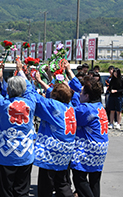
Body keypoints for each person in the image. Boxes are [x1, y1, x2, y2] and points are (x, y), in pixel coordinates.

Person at [0, 60, 36, 197]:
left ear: (8, 90)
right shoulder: (31, 102)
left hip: (5, 153)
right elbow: (30, 89)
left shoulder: (3, 105)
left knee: (6, 191)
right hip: (25, 153)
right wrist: (21, 71)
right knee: (22, 191)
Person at [65, 63, 109, 197]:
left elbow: (68, 112)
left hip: (89, 148)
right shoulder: (98, 105)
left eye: (82, 93)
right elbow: (79, 89)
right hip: (101, 147)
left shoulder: (86, 110)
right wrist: (68, 71)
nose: (79, 94)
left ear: (87, 95)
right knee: (95, 181)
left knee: (79, 179)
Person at [33, 69, 76, 197]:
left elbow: (36, 98)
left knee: (46, 186)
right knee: (62, 184)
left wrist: (22, 74)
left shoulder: (54, 106)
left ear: (56, 97)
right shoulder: (70, 107)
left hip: (51, 152)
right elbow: (50, 95)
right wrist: (40, 81)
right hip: (65, 152)